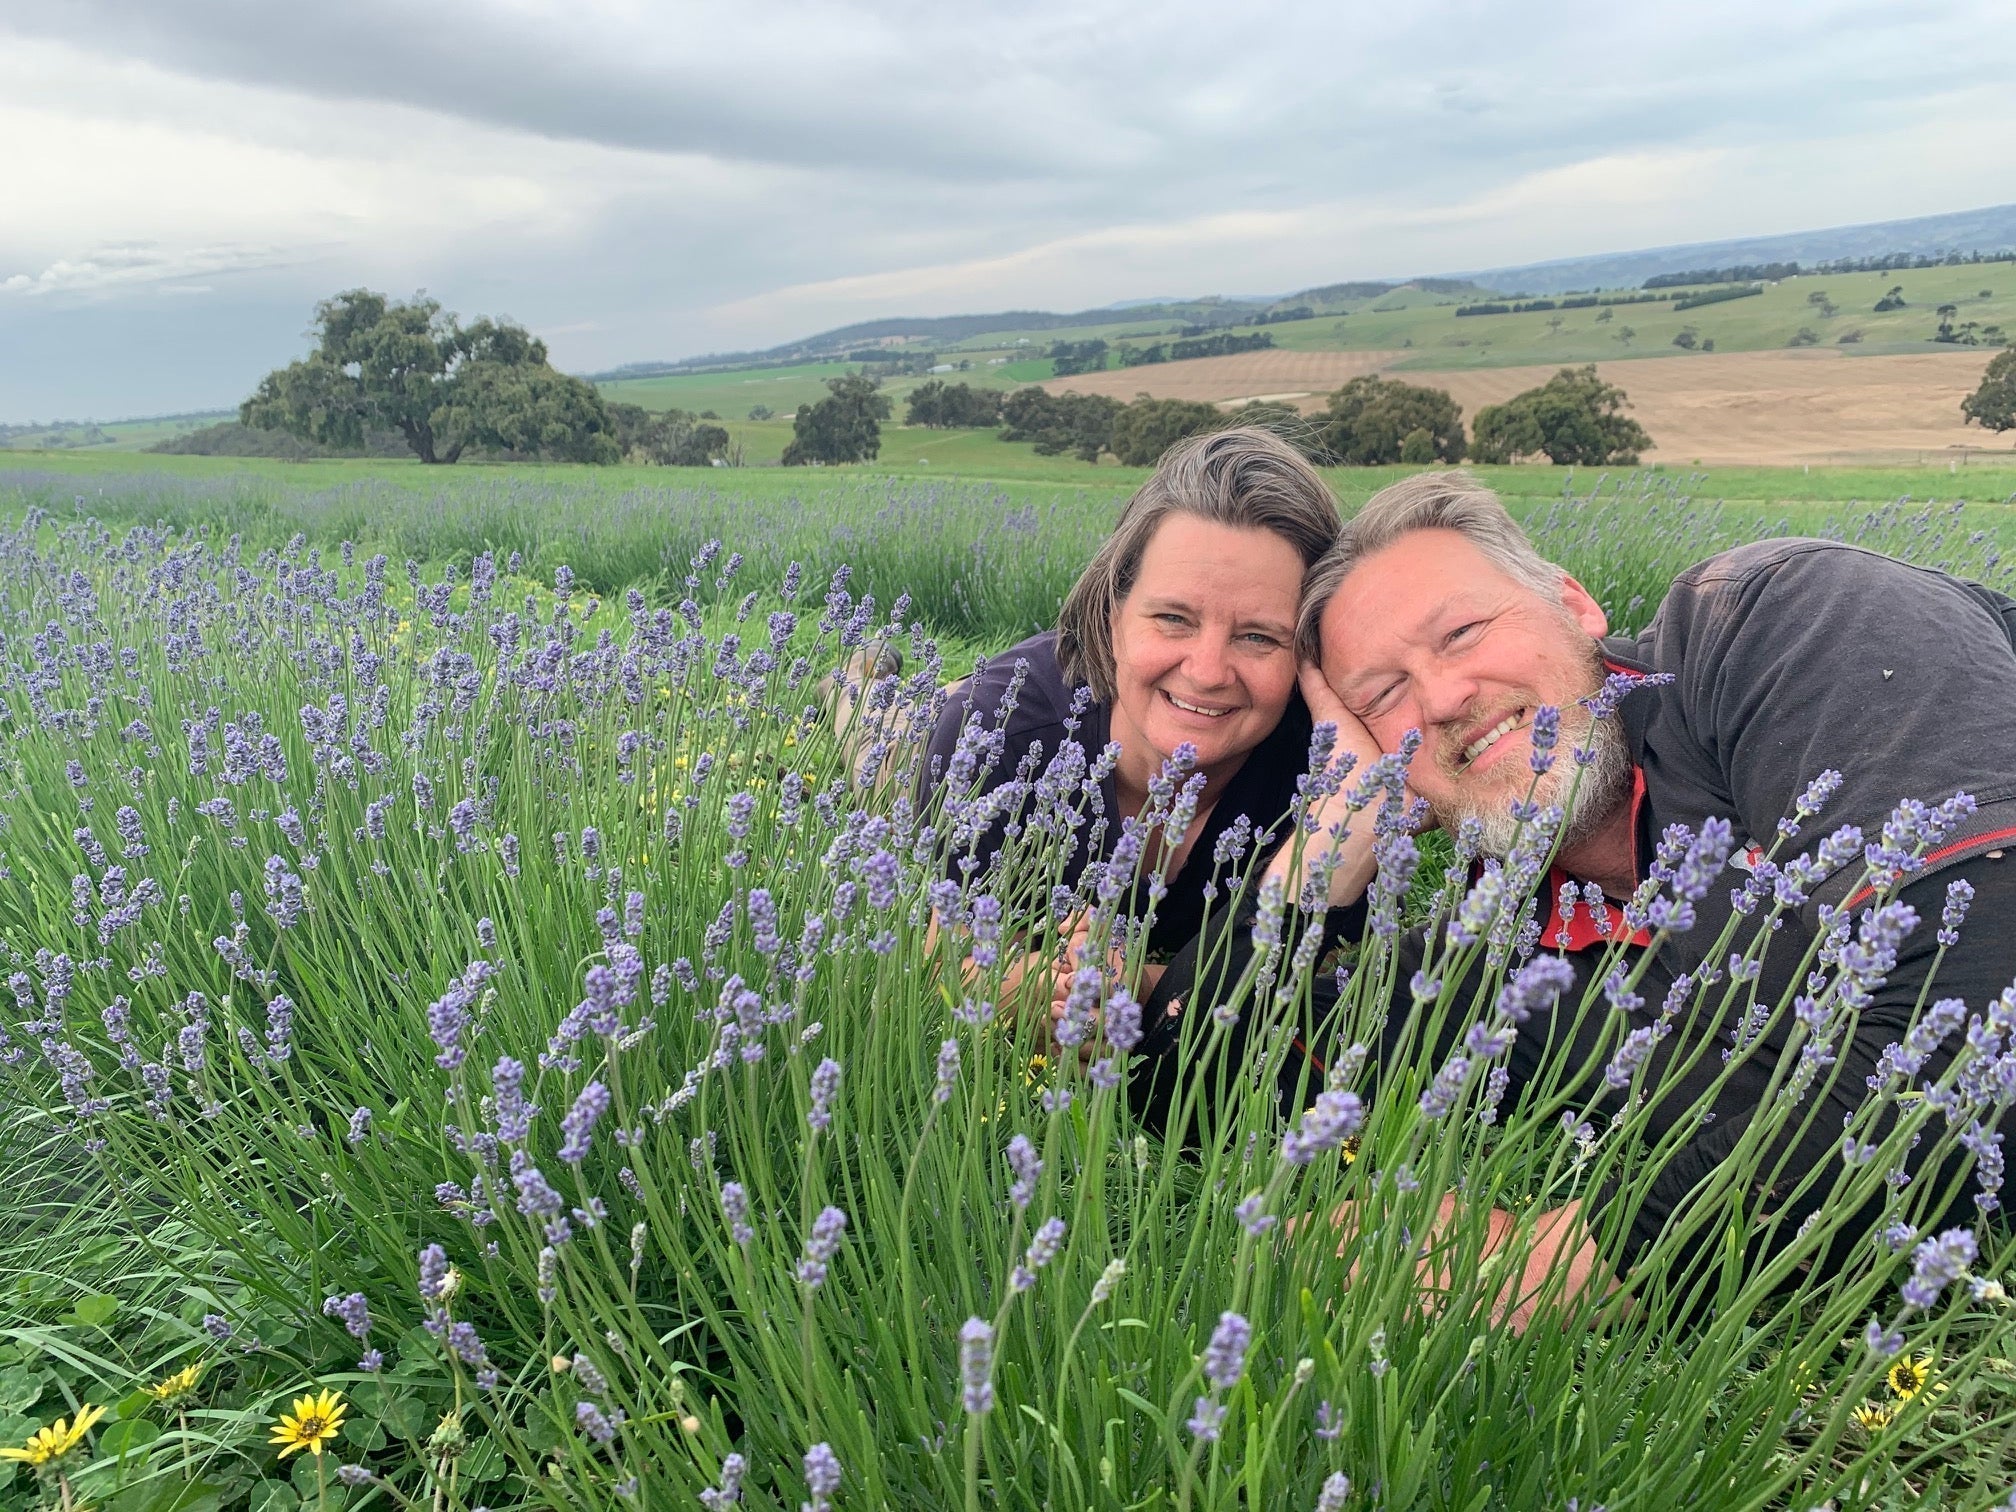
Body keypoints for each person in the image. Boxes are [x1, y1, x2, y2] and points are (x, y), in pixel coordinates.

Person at [1134, 469, 2016, 1314]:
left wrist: (1547, 1264)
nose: (1444, 697)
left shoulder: (1780, 620)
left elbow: (1982, 1016)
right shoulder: (1516, 940)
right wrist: (1332, 838)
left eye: (1463, 633)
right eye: (1385, 692)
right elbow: (1195, 1072)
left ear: (1573, 603)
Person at [922, 427, 1356, 992]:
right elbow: (937, 961)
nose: (1206, 672)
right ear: (1112, 617)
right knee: (880, 749)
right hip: (956, 723)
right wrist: (1040, 995)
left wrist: (1133, 988)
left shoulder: (1326, 767)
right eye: (1173, 619)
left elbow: (1325, 972)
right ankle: (855, 691)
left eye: (1258, 637)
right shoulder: (999, 730)